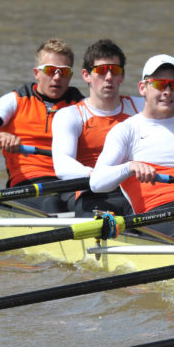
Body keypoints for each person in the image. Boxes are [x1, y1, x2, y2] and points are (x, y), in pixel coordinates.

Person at [89, 53, 174, 241]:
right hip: (154, 214)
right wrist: (129, 167)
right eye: (160, 84)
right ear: (143, 88)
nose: (167, 91)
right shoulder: (126, 130)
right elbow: (96, 183)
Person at [0, 38, 83, 213]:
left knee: (98, 204)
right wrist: (0, 136)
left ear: (71, 76)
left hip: (71, 182)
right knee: (52, 204)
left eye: (63, 72)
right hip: (27, 184)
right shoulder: (14, 100)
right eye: (50, 70)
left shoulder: (81, 106)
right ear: (37, 73)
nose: (57, 77)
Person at [51, 39, 141, 216]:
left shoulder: (140, 107)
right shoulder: (70, 115)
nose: (108, 77)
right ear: (86, 75)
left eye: (115, 71)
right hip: (95, 193)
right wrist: (98, 175)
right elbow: (62, 165)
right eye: (101, 71)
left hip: (137, 191)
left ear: (122, 76)